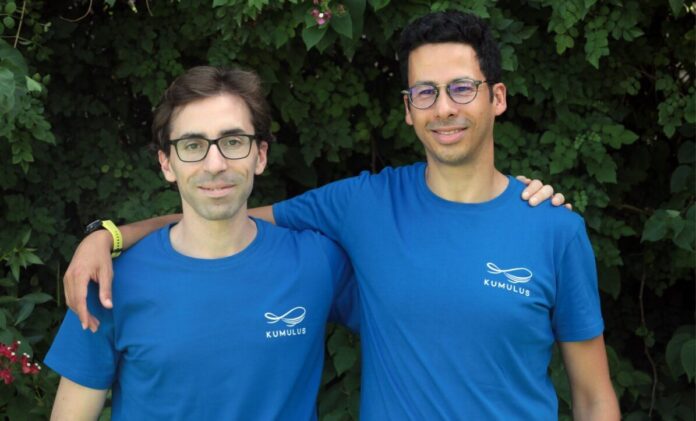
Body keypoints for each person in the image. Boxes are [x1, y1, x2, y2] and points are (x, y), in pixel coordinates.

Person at [62, 11, 619, 420]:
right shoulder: (362, 205)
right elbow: (224, 209)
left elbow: (594, 399)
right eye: (425, 92)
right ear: (408, 109)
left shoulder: (554, 228)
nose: (444, 107)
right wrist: (107, 236)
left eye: (461, 88)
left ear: (496, 97)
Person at [45, 66, 358, 420]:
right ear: (166, 163)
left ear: (260, 155)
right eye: (193, 145)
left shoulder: (317, 262)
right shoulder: (108, 282)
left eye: (233, 142)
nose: (215, 164)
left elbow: (406, 328)